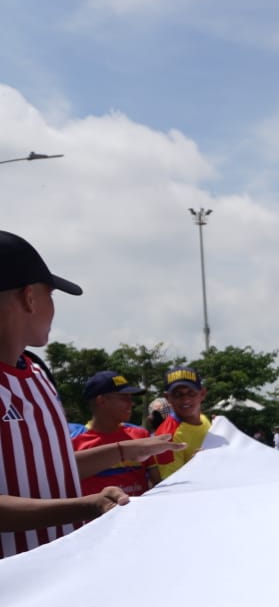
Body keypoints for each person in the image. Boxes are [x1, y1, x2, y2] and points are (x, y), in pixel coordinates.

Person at [0, 231, 182, 558]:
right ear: (30, 297)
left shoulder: (38, 372)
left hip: (60, 576)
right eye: (51, 295)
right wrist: (84, 506)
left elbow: (48, 469)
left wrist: (126, 449)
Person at [72, 370, 159, 497]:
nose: (131, 403)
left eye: (131, 398)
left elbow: (156, 483)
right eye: (124, 398)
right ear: (101, 401)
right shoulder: (74, 443)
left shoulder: (141, 436)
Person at [152, 367, 212, 481]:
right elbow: (171, 484)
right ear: (167, 398)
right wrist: (194, 465)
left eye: (191, 393)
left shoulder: (204, 420)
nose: (186, 400)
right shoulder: (166, 438)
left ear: (202, 394)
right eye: (178, 394)